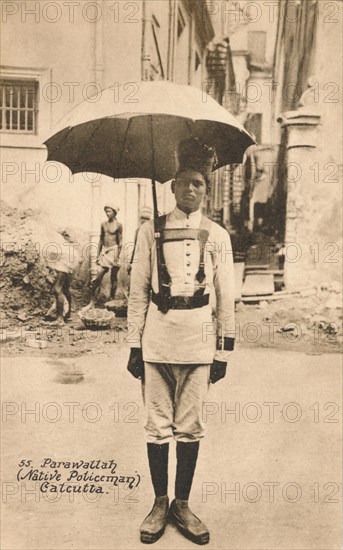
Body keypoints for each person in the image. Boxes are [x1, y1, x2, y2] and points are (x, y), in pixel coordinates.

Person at [127, 138, 236, 545]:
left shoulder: (218, 235)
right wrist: (134, 345)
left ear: (206, 189)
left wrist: (224, 350)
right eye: (183, 182)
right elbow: (137, 289)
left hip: (199, 341)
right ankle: (158, 503)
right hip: (157, 339)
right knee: (157, 426)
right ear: (171, 186)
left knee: (190, 427)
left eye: (198, 184)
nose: (190, 190)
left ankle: (182, 503)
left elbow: (227, 296)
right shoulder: (148, 231)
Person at [88, 204, 122, 307]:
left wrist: (116, 258)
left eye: (109, 211)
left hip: (114, 250)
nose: (107, 213)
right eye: (106, 211)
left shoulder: (118, 225)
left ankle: (112, 300)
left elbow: (120, 242)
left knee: (113, 277)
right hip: (105, 251)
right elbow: (101, 240)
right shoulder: (103, 224)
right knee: (98, 277)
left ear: (114, 213)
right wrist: (98, 254)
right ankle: (92, 301)